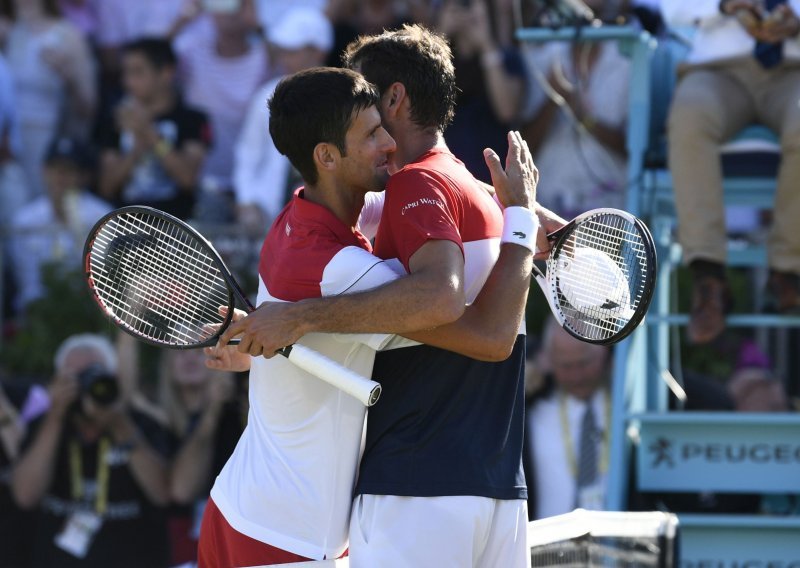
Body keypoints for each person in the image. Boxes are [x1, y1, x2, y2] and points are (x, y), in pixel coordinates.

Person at [218, 25, 565, 566]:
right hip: (304, 525)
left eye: (380, 122)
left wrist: (295, 321)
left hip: (398, 496)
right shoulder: (448, 198)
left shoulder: (398, 196)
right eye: (368, 133)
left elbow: (475, 315)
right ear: (329, 156)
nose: (384, 145)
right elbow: (489, 323)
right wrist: (517, 219)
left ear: (396, 99)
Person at [662, 0, 800, 344]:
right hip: (718, 72)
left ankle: (789, 268)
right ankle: (708, 278)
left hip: (795, 71)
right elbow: (670, 8)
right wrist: (724, 4)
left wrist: (794, 16)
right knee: (690, 115)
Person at [11, 334, 173, 567]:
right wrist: (55, 415)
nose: (85, 384)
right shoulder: (45, 425)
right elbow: (25, 496)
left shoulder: (142, 423)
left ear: (113, 376)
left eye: (94, 374)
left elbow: (162, 494)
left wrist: (120, 424)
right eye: (74, 378)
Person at [519, 0, 630, 220]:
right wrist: (553, 99)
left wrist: (582, 116)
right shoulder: (540, 53)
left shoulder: (628, 59)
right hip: (546, 203)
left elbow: (630, 147)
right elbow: (523, 145)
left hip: (608, 210)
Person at [232, 6, 332, 233]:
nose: (286, 58)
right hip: (267, 219)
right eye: (283, 50)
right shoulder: (265, 96)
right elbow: (248, 154)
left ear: (317, 52)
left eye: (293, 51)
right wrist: (246, 202)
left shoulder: (343, 100)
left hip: (322, 223)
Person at [98, 37, 212, 220]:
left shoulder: (193, 120)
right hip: (125, 228)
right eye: (126, 73)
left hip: (178, 229)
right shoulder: (115, 120)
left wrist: (150, 135)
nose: (128, 82)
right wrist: (135, 151)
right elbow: (107, 187)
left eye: (138, 72)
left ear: (166, 72)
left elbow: (188, 178)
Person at [174, 0, 268, 222]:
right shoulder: (191, 51)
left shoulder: (266, 56)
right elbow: (155, 57)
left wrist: (256, 23)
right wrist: (187, 16)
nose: (229, 11)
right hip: (202, 184)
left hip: (253, 188)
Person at [0, 0, 97, 200]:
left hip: (45, 138)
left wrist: (66, 75)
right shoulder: (6, 31)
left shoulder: (68, 34)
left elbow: (88, 107)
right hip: (6, 140)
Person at [9, 135, 111, 314]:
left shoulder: (102, 217)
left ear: (83, 176)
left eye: (69, 170)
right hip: (38, 314)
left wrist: (75, 225)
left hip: (87, 311)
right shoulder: (24, 221)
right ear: (44, 171)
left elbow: (102, 279)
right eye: (55, 169)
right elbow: (28, 283)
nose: (60, 177)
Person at [523, 319, 613, 520]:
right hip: (545, 544)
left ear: (605, 351)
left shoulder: (629, 399)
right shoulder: (530, 407)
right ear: (547, 360)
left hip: (621, 544)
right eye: (565, 366)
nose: (576, 375)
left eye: (584, 363)